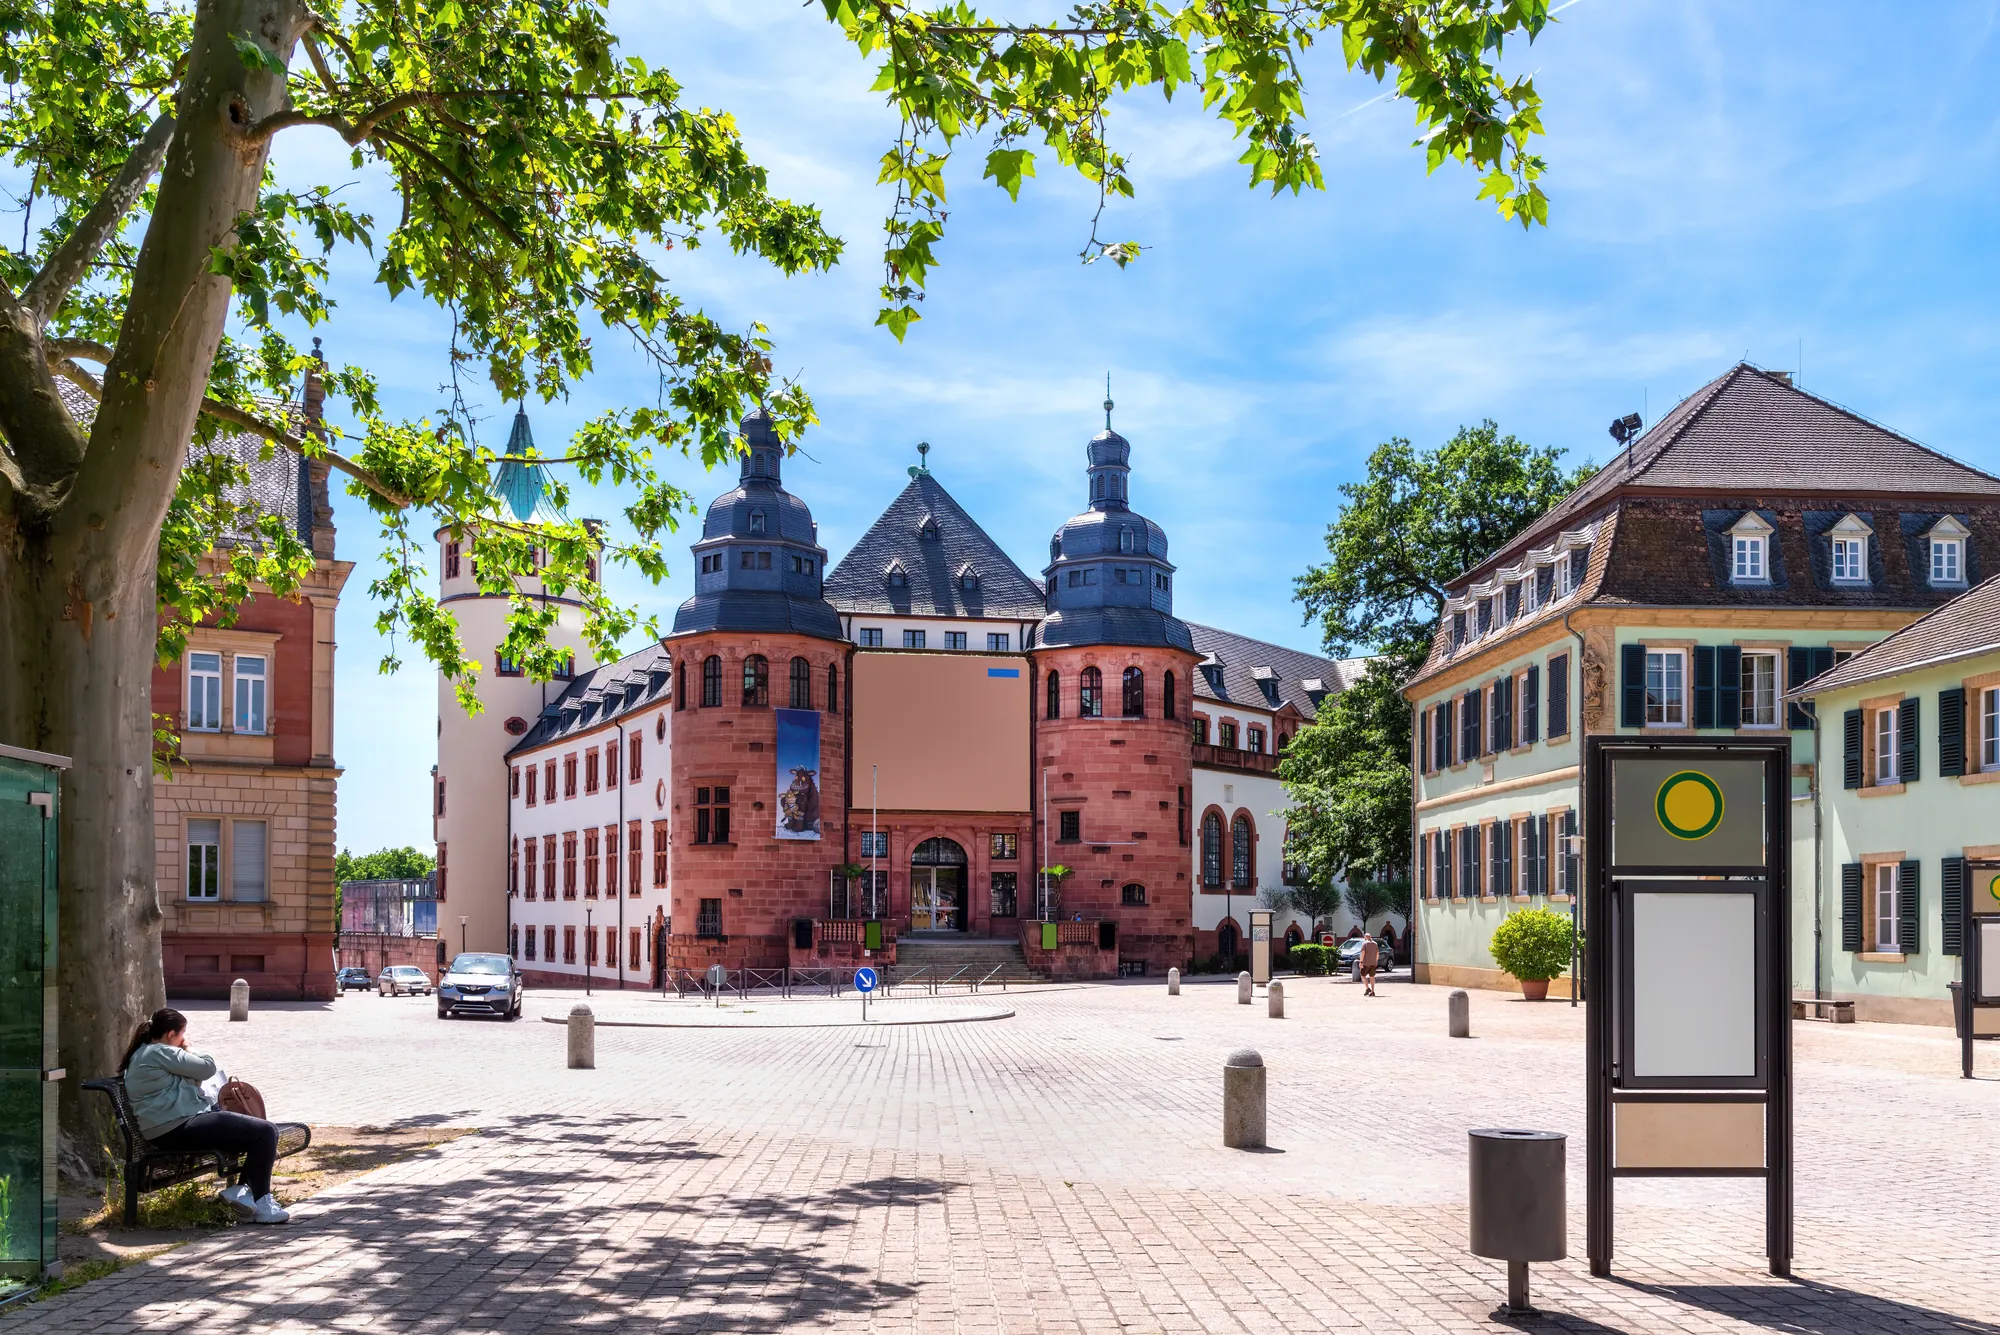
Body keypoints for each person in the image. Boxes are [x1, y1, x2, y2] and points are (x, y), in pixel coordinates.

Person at [119, 1008, 289, 1224]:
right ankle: (262, 1202)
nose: (183, 1039)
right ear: (171, 1034)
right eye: (182, 1034)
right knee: (265, 1131)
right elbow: (207, 1067)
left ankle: (243, 1193)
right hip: (177, 1126)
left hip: (172, 1126)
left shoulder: (146, 1052)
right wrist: (188, 1047)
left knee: (260, 1132)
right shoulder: (160, 1052)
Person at [1359, 933, 1380, 997]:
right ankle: (1373, 991)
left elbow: (1363, 953)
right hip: (1373, 963)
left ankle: (1367, 988)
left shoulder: (1365, 943)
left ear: (1365, 937)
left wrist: (1361, 962)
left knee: (1362, 975)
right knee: (1372, 977)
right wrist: (1376, 961)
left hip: (1366, 963)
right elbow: (1377, 954)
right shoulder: (1375, 944)